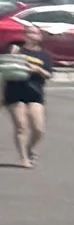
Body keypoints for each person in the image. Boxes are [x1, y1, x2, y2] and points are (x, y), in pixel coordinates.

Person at [3, 29, 49, 165]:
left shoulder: (45, 55)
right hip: (14, 91)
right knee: (21, 126)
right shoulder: (16, 50)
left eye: (35, 33)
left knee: (38, 129)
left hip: (34, 93)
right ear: (24, 36)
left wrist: (38, 69)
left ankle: (30, 148)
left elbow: (48, 75)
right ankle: (23, 158)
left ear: (40, 37)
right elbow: (5, 68)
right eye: (29, 33)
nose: (31, 35)